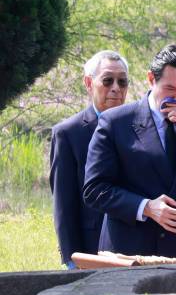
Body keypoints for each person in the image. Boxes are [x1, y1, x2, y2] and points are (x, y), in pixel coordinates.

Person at [83, 44, 176, 257]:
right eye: (170, 89)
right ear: (151, 79)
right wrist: (145, 207)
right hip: (131, 251)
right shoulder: (116, 122)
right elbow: (94, 189)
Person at [50, 50, 129, 268]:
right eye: (107, 80)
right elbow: (64, 204)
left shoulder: (137, 126)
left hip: (133, 245)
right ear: (88, 83)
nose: (116, 88)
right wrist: (71, 258)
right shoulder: (68, 133)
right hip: (90, 246)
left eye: (122, 82)